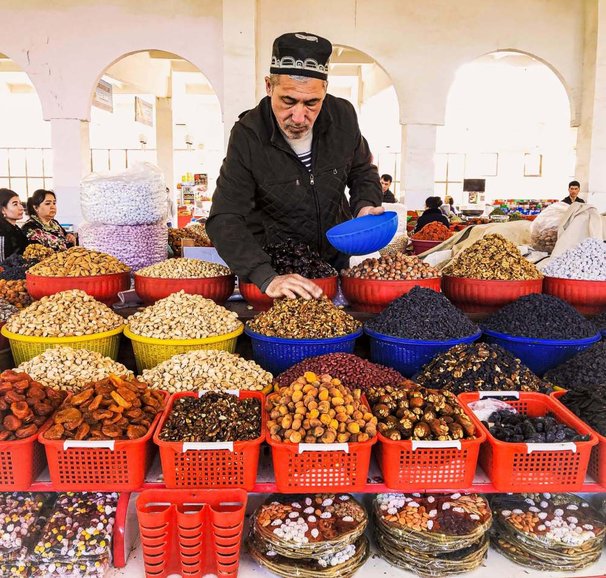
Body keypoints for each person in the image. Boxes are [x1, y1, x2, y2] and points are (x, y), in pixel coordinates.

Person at [206, 32, 383, 300]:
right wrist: (265, 276)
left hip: (331, 267)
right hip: (277, 275)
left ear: (324, 90)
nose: (299, 117)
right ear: (268, 86)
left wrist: (365, 204)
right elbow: (225, 217)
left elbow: (362, 170)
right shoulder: (248, 134)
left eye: (312, 103)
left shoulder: (343, 117)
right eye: (288, 101)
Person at [0, 188, 28, 261]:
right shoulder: (2, 232)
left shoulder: (16, 228)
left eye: (20, 204)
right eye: (15, 204)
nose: (21, 208)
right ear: (2, 210)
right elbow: (2, 264)